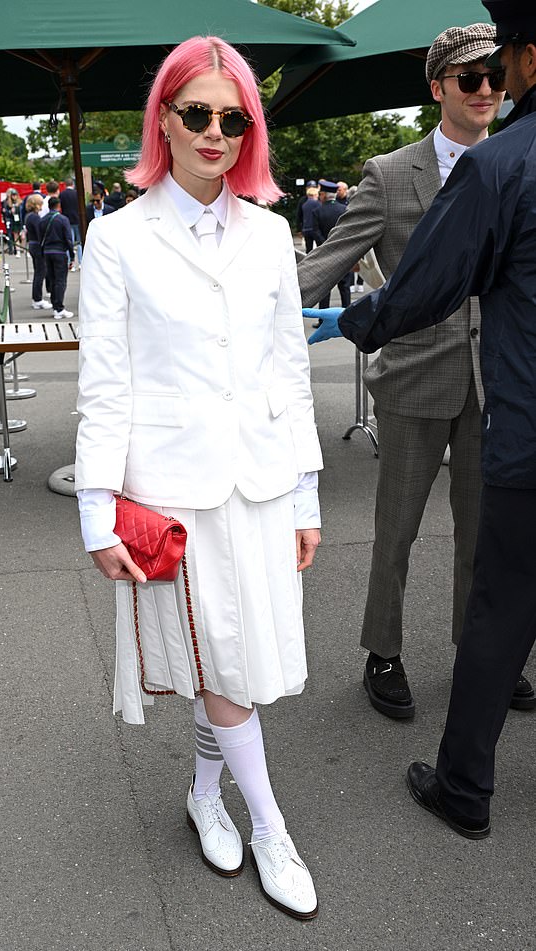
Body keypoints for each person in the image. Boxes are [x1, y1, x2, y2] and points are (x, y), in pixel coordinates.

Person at [74, 35, 323, 919]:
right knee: (223, 662)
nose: (215, 132)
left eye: (234, 116)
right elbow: (106, 385)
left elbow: (287, 372)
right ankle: (270, 825)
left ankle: (204, 793)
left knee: (242, 666)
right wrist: (97, 512)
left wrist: (306, 491)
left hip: (258, 482)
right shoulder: (116, 241)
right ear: (165, 120)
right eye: (198, 113)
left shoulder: (270, 234)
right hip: (172, 492)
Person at [311, 0, 536, 838]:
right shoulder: (390, 170)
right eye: (472, 80)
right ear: (440, 87)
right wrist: (258, 301)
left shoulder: (514, 158)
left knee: (487, 541)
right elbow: (336, 257)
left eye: (494, 76)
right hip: (412, 375)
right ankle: (384, 652)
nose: (488, 90)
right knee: (397, 532)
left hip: (496, 385)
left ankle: (487, 664)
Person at [312, 180, 352, 309]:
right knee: (345, 287)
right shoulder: (345, 209)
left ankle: (322, 318)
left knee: (324, 288)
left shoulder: (317, 211)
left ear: (323, 195)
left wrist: (325, 245)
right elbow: (348, 230)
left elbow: (315, 232)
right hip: (343, 252)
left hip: (325, 254)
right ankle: (347, 316)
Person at [39, 195, 74, 319]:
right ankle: (59, 308)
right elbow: (68, 239)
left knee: (52, 279)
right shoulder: (63, 219)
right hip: (60, 252)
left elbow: (40, 238)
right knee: (60, 281)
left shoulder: (42, 220)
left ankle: (55, 306)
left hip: (47, 252)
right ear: (58, 206)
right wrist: (72, 255)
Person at [24, 193, 52, 311]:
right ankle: (37, 299)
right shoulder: (35, 217)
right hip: (37, 246)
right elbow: (40, 232)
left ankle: (37, 298)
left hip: (32, 245)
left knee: (38, 272)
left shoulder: (29, 216)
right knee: (40, 273)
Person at [60, 177, 82, 267]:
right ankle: (81, 262)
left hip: (67, 219)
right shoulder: (77, 193)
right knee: (79, 241)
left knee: (70, 241)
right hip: (77, 218)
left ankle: (70, 262)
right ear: (72, 184)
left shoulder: (62, 194)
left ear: (65, 184)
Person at [300, 185, 322, 252]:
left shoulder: (304, 204)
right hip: (315, 229)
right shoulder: (318, 204)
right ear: (315, 194)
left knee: (308, 249)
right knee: (319, 249)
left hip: (306, 229)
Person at [0, 187, 21, 255]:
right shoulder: (5, 202)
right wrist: (9, 212)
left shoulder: (18, 202)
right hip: (9, 219)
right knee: (9, 234)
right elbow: (3, 211)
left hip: (15, 220)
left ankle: (16, 249)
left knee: (15, 234)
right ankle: (11, 249)